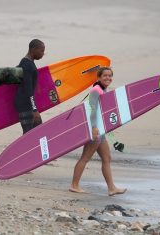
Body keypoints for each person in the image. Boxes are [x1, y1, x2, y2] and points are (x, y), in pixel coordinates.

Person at [69, 67, 127, 196]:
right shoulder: (96, 90)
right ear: (99, 77)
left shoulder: (103, 89)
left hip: (100, 130)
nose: (108, 78)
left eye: (110, 76)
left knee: (107, 158)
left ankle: (111, 188)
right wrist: (94, 128)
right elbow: (92, 109)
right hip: (94, 130)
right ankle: (74, 185)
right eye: (105, 76)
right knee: (85, 158)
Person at [15, 39, 45, 134]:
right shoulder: (27, 65)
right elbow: (28, 89)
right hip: (25, 103)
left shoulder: (26, 62)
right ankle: (24, 149)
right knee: (28, 132)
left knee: (35, 130)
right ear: (33, 49)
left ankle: (32, 149)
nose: (43, 54)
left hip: (25, 102)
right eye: (41, 51)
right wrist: (34, 109)